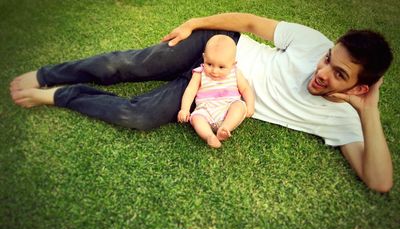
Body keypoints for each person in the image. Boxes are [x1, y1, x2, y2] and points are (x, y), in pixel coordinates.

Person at [9, 13, 393, 192]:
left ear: (361, 88)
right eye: (329, 58)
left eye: (340, 74)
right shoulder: (312, 42)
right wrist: (196, 22)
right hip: (218, 48)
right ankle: (49, 74)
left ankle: (62, 94)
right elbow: (250, 24)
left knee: (137, 115)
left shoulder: (342, 119)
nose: (323, 70)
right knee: (125, 65)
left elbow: (379, 181)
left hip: (216, 93)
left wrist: (369, 111)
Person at [177, 35, 254, 148]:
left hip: (228, 109)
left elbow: (246, 88)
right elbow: (190, 91)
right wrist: (184, 109)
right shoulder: (199, 73)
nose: (214, 71)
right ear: (204, 57)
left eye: (221, 67)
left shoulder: (235, 73)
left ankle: (225, 128)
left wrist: (250, 105)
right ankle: (209, 136)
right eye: (209, 64)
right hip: (205, 111)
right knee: (196, 118)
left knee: (239, 106)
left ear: (233, 64)